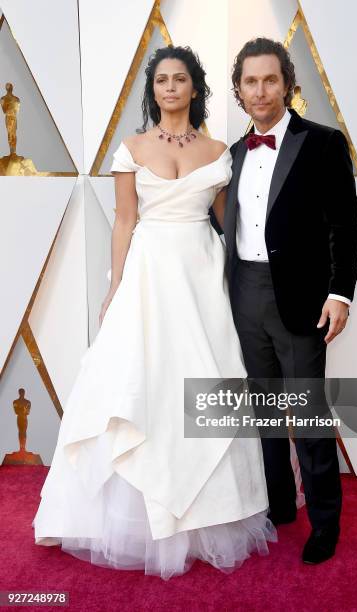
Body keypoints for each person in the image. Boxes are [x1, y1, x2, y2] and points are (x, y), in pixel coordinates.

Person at [32, 45, 276, 580]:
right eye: (162, 80)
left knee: (201, 377)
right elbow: (124, 221)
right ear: (154, 89)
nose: (170, 87)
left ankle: (209, 511)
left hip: (201, 276)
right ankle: (137, 513)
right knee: (143, 382)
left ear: (195, 88)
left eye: (180, 79)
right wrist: (115, 286)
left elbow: (228, 223)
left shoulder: (217, 150)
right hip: (147, 275)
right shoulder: (132, 148)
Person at [222, 38, 357, 564]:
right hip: (243, 297)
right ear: (239, 90)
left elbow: (344, 228)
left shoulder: (323, 143)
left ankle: (324, 524)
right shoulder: (233, 154)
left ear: (288, 84)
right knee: (263, 414)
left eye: (270, 79)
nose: (261, 91)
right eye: (250, 81)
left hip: (302, 301)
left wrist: (339, 293)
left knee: (307, 418)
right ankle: (279, 505)